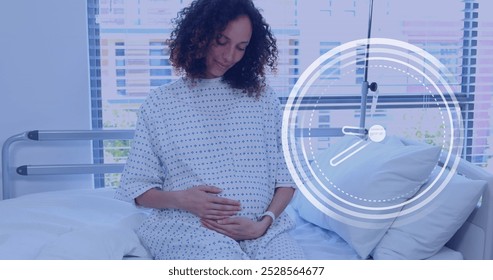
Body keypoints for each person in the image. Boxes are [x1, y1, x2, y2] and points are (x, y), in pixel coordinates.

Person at [115, 0, 304, 260]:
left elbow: (286, 181)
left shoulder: (263, 99)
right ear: (199, 35)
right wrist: (183, 200)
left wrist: (264, 223)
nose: (229, 56)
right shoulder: (160, 104)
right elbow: (136, 189)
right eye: (221, 41)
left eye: (241, 47)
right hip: (190, 228)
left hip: (262, 230)